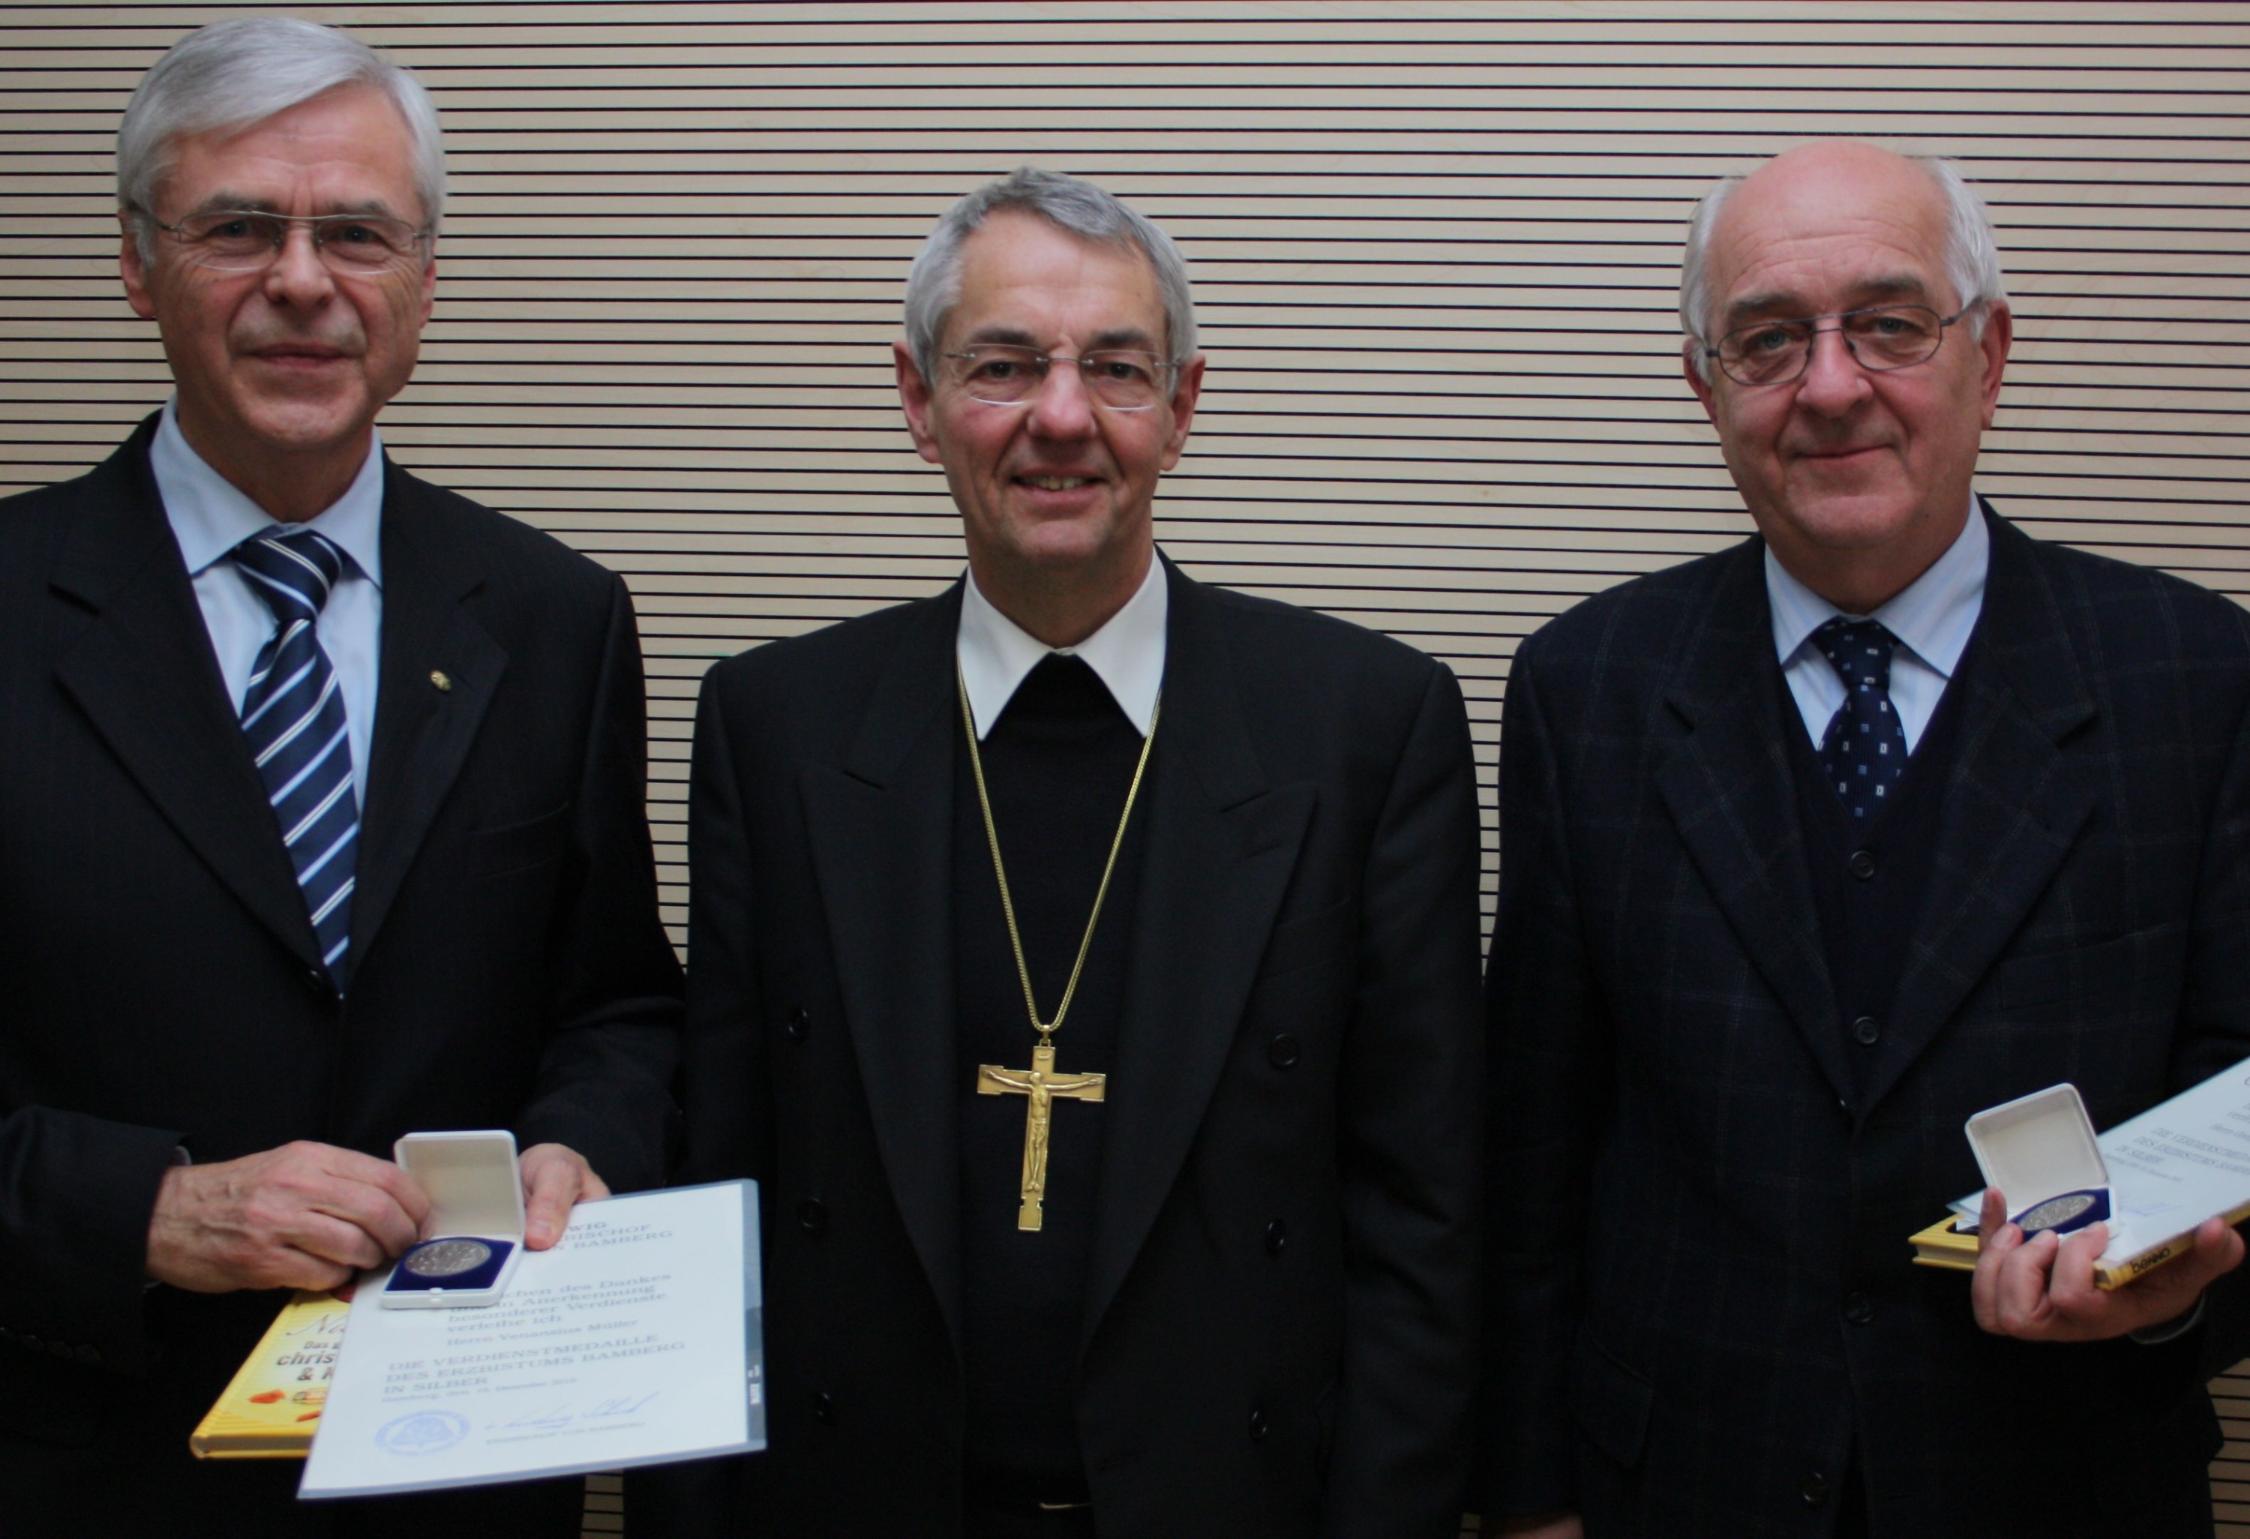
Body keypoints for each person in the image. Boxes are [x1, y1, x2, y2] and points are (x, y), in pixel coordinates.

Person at [676, 167, 1482, 1536]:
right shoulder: (775, 725)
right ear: (918, 402)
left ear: (1182, 406)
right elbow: (715, 1186)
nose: (1061, 418)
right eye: (1002, 366)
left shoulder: (1364, 725)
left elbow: (1424, 1216)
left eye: (1114, 368)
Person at [1480, 138, 2250, 1539]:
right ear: (1703, 388)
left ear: (1989, 352)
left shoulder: (2196, 680)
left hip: (2058, 1480)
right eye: (1766, 341)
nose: (1829, 387)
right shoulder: (1584, 686)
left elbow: (2243, 1091)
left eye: (1887, 325)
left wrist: (2158, 1301)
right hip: (1676, 1485)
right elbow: (1532, 1144)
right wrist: (1527, 1500)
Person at [0, 18, 682, 1535]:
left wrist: (586, 1149)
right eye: (240, 226)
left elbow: (616, 1004)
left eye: (356, 233)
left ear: (421, 281)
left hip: (458, 1465)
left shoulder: (554, 617)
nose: (303, 280)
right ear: (136, 263)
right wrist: (148, 1209)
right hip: (84, 1462)